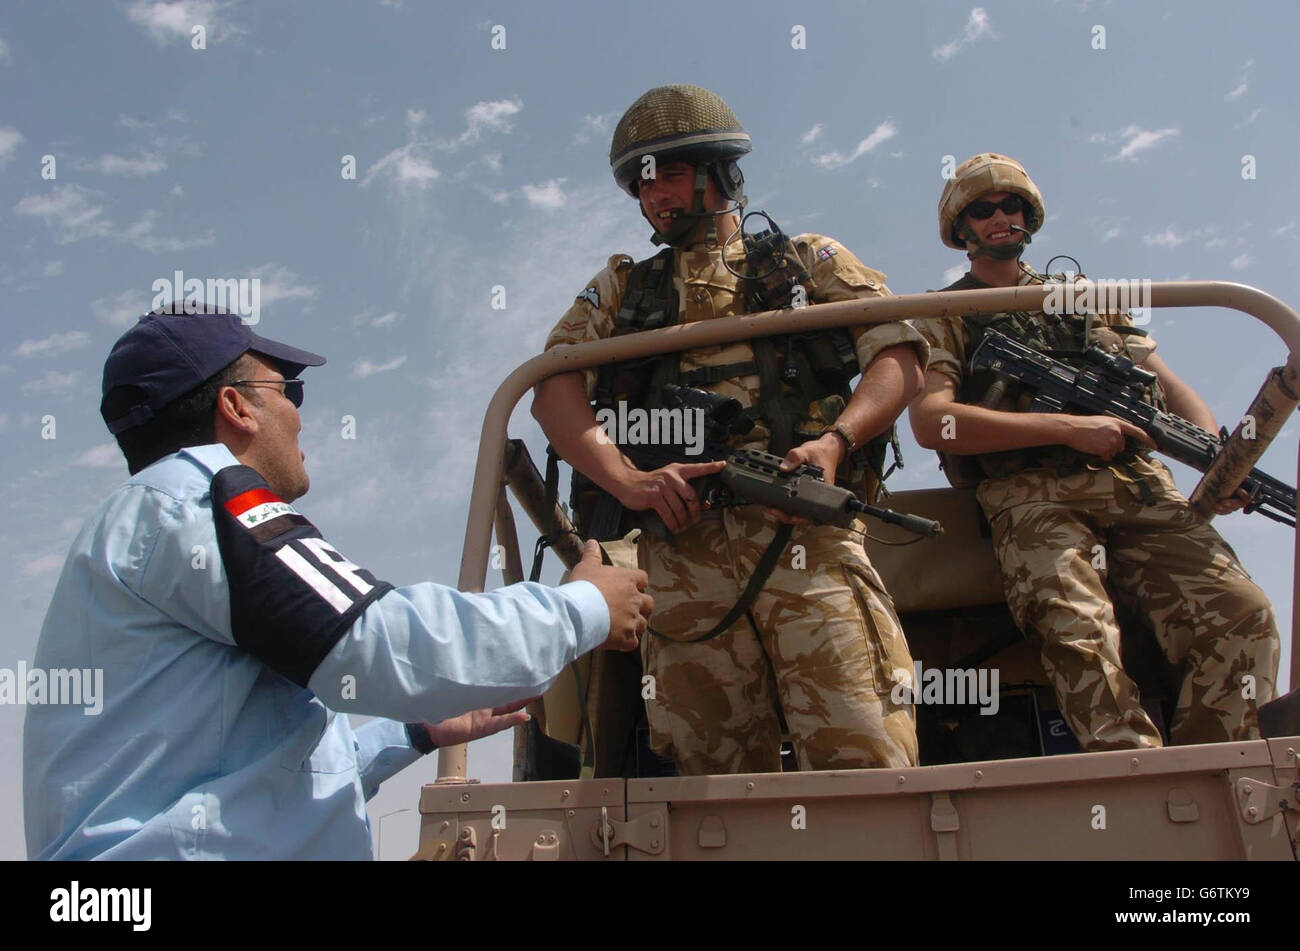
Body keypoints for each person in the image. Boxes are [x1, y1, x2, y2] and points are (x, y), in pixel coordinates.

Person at [23, 308, 651, 860]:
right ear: (236, 406)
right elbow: (373, 640)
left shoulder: (142, 520)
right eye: (288, 388)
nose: (298, 415)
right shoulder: (201, 497)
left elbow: (254, 783)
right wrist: (586, 606)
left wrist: (414, 732)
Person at [531, 84, 928, 775]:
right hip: (683, 561)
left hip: (809, 542)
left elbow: (897, 356)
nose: (655, 197)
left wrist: (833, 444)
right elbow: (553, 387)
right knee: (713, 787)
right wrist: (631, 480)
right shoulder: (626, 287)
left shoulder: (807, 261)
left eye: (671, 175)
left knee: (866, 757)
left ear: (720, 174)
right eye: (642, 185)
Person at [908, 152, 1279, 751]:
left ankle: (1217, 768)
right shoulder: (945, 313)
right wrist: (1066, 429)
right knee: (1075, 629)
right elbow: (933, 422)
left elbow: (1169, 384)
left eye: (1013, 205)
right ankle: (1132, 774)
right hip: (1030, 495)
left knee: (1244, 614)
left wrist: (1215, 458)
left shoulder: (1084, 299)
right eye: (983, 209)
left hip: (1135, 482)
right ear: (962, 228)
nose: (1001, 217)